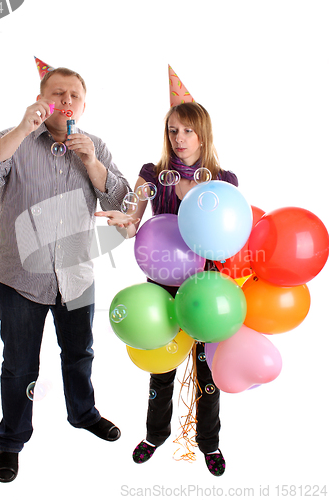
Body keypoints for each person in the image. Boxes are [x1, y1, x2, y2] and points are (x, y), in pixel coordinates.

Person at [0, 65, 131, 482]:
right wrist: (20, 128)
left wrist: (92, 162)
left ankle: (83, 414)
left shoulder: (96, 146)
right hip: (21, 277)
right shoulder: (14, 141)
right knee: (19, 365)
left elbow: (125, 202)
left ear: (84, 104)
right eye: (58, 93)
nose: (67, 100)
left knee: (80, 354)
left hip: (76, 276)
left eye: (74, 94)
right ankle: (11, 440)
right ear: (42, 100)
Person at [95, 101, 238, 477]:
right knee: (161, 369)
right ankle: (154, 436)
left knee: (208, 374)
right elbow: (132, 224)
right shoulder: (153, 174)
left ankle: (210, 443)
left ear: (203, 133)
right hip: (161, 289)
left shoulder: (223, 180)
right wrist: (121, 220)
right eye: (173, 130)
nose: (179, 138)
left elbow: (231, 237)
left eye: (188, 130)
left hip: (207, 291)